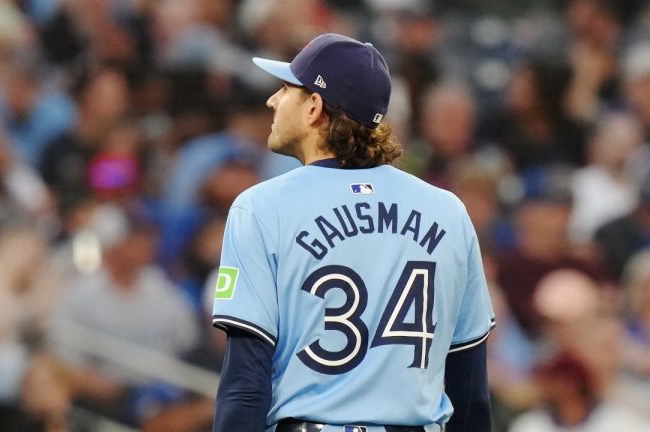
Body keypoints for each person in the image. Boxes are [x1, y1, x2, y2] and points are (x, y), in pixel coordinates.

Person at [210, 33, 495, 432]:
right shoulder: (448, 211)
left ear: (314, 106)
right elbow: (470, 390)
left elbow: (245, 384)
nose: (273, 100)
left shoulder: (261, 207)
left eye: (286, 89)